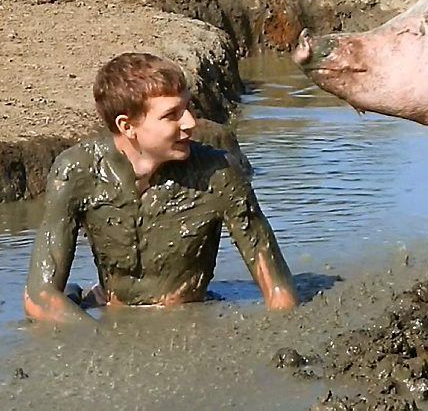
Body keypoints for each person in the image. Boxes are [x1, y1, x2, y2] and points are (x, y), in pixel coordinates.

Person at [24, 52, 298, 323]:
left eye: (188, 107)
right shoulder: (77, 171)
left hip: (186, 319)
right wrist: (101, 341)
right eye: (171, 115)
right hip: (110, 310)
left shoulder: (219, 174)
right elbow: (38, 297)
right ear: (127, 125)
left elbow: (279, 292)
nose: (190, 122)